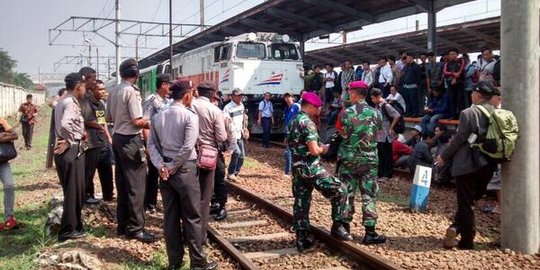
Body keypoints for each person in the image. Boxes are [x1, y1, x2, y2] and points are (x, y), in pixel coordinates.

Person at [147, 80, 217, 270]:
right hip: (184, 169)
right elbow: (187, 147)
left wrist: (162, 165)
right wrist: (173, 166)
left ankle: (174, 262)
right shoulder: (189, 116)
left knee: (170, 217)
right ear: (186, 95)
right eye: (192, 94)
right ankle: (198, 263)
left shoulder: (158, 116)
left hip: (165, 172)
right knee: (192, 217)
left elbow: (151, 145)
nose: (193, 97)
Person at [436, 80, 498, 250]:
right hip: (489, 164)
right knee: (472, 200)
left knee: (466, 203)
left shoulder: (468, 113)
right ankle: (455, 227)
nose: (471, 95)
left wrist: (444, 156)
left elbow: (459, 139)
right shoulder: (498, 113)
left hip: (468, 164)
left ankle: (467, 241)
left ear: (478, 95)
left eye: (472, 93)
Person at [287, 92, 350, 251]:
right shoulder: (308, 123)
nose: (320, 110)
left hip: (297, 168)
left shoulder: (294, 120)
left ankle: (302, 239)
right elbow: (315, 150)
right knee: (340, 190)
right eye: (318, 107)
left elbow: (298, 142)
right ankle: (338, 226)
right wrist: (324, 148)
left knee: (301, 202)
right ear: (311, 106)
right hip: (311, 168)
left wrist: (318, 144)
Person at [106, 59, 154, 243]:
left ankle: (123, 225)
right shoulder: (131, 92)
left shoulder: (114, 91)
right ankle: (136, 228)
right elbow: (137, 121)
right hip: (131, 140)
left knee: (123, 183)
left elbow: (109, 117)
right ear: (136, 74)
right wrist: (153, 122)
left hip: (118, 137)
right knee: (137, 185)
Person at [338, 81, 386, 244]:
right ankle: (370, 232)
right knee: (369, 195)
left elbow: (343, 134)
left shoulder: (345, 113)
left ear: (353, 93)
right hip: (369, 160)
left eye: (349, 93)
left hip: (348, 159)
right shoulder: (376, 113)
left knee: (347, 192)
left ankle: (344, 228)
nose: (348, 95)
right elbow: (377, 132)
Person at [191, 81, 228, 243]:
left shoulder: (188, 105)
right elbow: (221, 137)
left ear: (198, 92)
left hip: (190, 151)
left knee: (192, 188)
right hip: (208, 153)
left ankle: (190, 220)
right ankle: (201, 231)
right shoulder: (215, 110)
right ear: (213, 94)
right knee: (210, 187)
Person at [54, 72, 87, 242]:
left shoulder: (61, 101)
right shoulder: (71, 103)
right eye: (84, 87)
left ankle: (74, 225)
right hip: (71, 151)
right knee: (74, 192)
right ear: (78, 86)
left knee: (72, 191)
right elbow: (65, 124)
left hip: (66, 152)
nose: (85, 91)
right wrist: (72, 138)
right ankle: (68, 229)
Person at [80, 79, 114, 203]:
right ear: (92, 90)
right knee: (89, 171)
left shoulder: (100, 104)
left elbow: (101, 121)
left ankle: (108, 195)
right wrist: (101, 127)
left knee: (106, 169)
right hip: (91, 142)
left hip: (101, 141)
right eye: (100, 89)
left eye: (104, 89)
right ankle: (88, 195)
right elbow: (89, 121)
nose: (103, 92)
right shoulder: (86, 103)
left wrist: (108, 137)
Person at [142, 73, 172, 214]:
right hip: (155, 142)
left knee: (166, 171)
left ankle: (165, 201)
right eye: (169, 84)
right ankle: (150, 203)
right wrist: (148, 145)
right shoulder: (151, 100)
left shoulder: (168, 101)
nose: (170, 87)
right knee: (153, 173)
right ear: (163, 85)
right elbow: (145, 122)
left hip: (166, 142)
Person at [210, 93, 236, 222]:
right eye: (212, 100)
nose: (214, 103)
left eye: (216, 100)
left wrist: (230, 150)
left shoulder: (223, 116)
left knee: (219, 178)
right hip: (203, 152)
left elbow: (232, 133)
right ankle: (213, 202)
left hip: (217, 152)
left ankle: (220, 205)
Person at [371, 88, 400, 181]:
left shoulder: (385, 106)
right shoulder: (377, 106)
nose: (372, 100)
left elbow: (397, 115)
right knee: (380, 154)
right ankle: (380, 173)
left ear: (378, 96)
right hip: (379, 135)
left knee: (387, 154)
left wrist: (391, 128)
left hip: (386, 134)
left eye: (373, 98)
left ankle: (387, 174)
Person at [0, 117, 19, 230]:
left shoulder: (1, 120)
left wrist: (2, 136)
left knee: (9, 185)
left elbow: (15, 135)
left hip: (2, 161)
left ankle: (9, 218)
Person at [223, 88, 246, 182]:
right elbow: (225, 122)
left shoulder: (241, 106)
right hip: (231, 135)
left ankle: (235, 173)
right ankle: (231, 173)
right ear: (232, 96)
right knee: (236, 152)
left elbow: (243, 118)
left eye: (241, 95)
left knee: (242, 156)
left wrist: (245, 128)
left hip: (239, 134)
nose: (240, 97)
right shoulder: (227, 108)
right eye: (238, 95)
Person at [443, 48, 465, 119]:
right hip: (450, 84)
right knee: (452, 100)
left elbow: (460, 72)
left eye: (453, 54)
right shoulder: (447, 63)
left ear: (457, 54)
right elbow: (445, 72)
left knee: (460, 100)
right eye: (450, 54)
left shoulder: (461, 61)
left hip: (460, 83)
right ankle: (453, 115)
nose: (452, 56)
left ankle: (461, 115)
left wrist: (455, 78)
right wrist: (453, 74)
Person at [283, 92, 300, 178]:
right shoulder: (287, 109)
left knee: (289, 152)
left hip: (296, 132)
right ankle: (290, 171)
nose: (287, 99)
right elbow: (287, 123)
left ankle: (288, 172)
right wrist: (286, 135)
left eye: (289, 97)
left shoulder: (296, 106)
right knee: (289, 152)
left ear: (292, 98)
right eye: (286, 97)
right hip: (289, 132)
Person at [400, 52, 422, 117]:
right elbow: (402, 74)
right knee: (407, 100)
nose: (406, 59)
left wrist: (417, 84)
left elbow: (419, 77)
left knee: (414, 100)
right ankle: (409, 112)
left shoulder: (416, 66)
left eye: (407, 58)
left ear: (411, 57)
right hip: (405, 86)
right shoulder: (406, 66)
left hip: (413, 86)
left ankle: (415, 113)